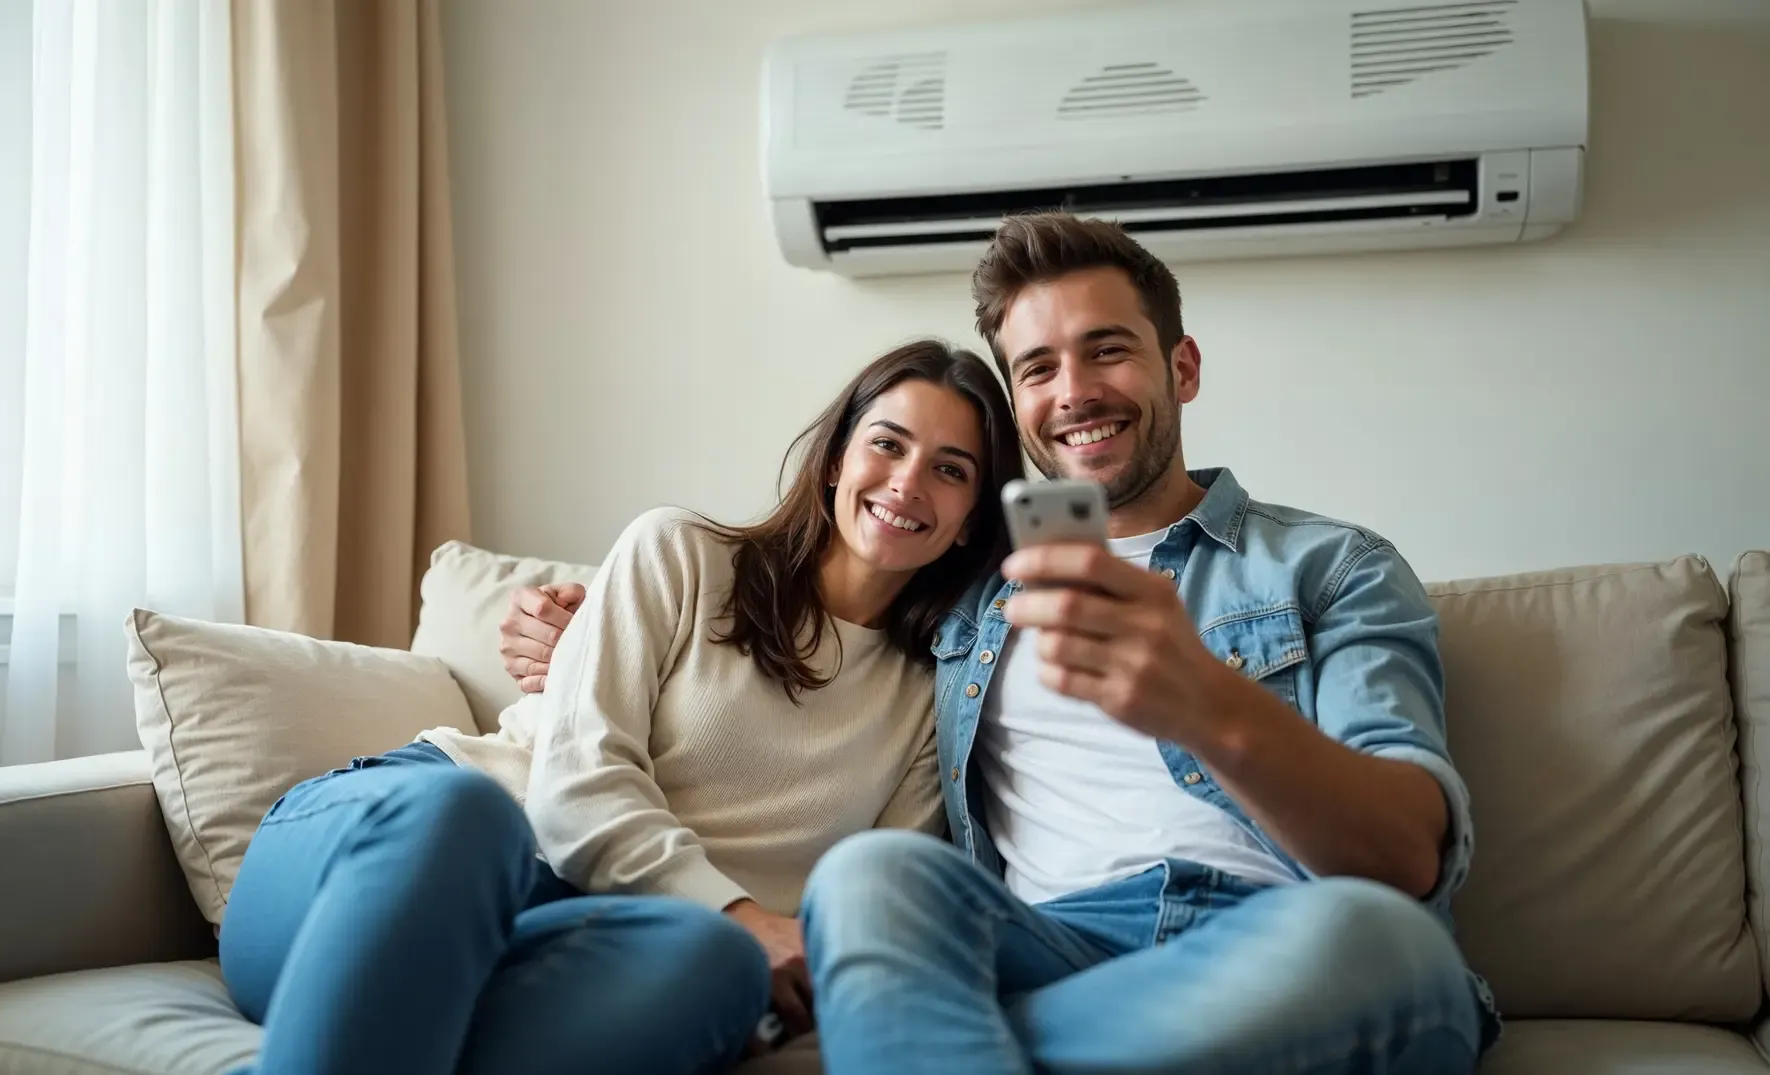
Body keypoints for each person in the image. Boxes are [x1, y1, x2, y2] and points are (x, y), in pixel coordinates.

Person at [502, 214, 1495, 1074]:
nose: (1074, 392)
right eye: (1037, 368)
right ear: (1017, 408)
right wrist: (585, 631)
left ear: (1179, 368)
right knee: (868, 878)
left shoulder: (1331, 566)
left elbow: (1405, 856)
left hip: (1281, 937)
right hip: (1045, 947)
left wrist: (1203, 701)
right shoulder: (965, 595)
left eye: (1107, 350)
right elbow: (799, 611)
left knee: (1382, 945)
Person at [217, 339, 1023, 1075]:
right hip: (390, 860)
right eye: (887, 443)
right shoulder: (681, 554)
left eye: (951, 469)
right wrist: (741, 910)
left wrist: (751, 943)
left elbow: (865, 902)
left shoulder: (934, 697)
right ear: (833, 464)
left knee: (719, 969)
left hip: (564, 936)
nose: (908, 481)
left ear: (968, 523)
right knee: (469, 813)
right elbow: (574, 787)